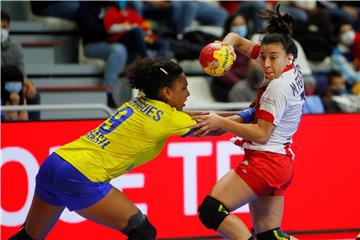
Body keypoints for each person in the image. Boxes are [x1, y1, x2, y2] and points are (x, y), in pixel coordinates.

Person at [8, 58, 197, 240]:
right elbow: (212, 123)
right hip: (81, 175)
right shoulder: (169, 119)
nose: (188, 94)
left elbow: (200, 117)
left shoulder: (139, 100)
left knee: (28, 236)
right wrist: (226, 119)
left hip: (56, 162)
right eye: (184, 88)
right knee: (142, 232)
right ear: (166, 92)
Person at [193, 6, 303, 240]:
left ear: (288, 57)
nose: (265, 64)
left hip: (266, 161)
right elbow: (239, 42)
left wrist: (220, 121)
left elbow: (261, 133)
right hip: (280, 163)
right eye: (262, 56)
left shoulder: (277, 88)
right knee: (270, 236)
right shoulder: (290, 67)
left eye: (272, 58)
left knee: (211, 211)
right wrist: (225, 45)